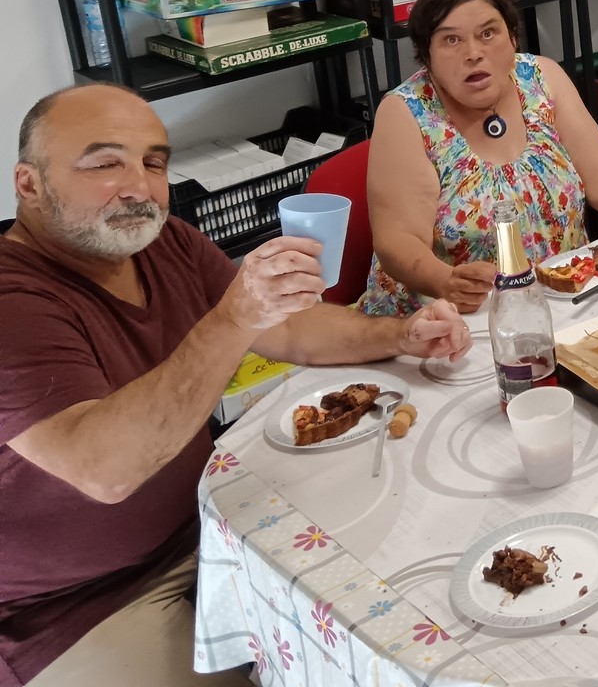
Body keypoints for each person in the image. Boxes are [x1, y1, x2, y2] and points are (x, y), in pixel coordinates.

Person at [0, 84, 472, 687]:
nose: (140, 187)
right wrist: (234, 317)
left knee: (413, 593)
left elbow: (292, 330)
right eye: (103, 162)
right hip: (82, 605)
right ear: (29, 184)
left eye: (153, 162)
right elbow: (104, 469)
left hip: (222, 519)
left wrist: (400, 334)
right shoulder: (15, 300)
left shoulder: (165, 242)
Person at [359, 0, 598, 317]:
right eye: (451, 41)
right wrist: (446, 281)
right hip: (444, 319)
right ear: (427, 56)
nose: (473, 53)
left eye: (488, 33)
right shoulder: (406, 112)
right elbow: (398, 240)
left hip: (562, 299)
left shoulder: (541, 77)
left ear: (512, 38)